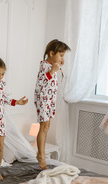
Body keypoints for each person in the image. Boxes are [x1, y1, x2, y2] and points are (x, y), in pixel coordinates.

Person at [34, 39, 71, 169]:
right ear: (51, 53)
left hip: (50, 100)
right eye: (60, 55)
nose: (62, 58)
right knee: (43, 126)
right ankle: (41, 155)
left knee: (47, 125)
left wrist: (57, 66)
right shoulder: (44, 66)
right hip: (43, 99)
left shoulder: (54, 67)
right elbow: (40, 84)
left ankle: (41, 152)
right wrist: (51, 72)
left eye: (63, 56)